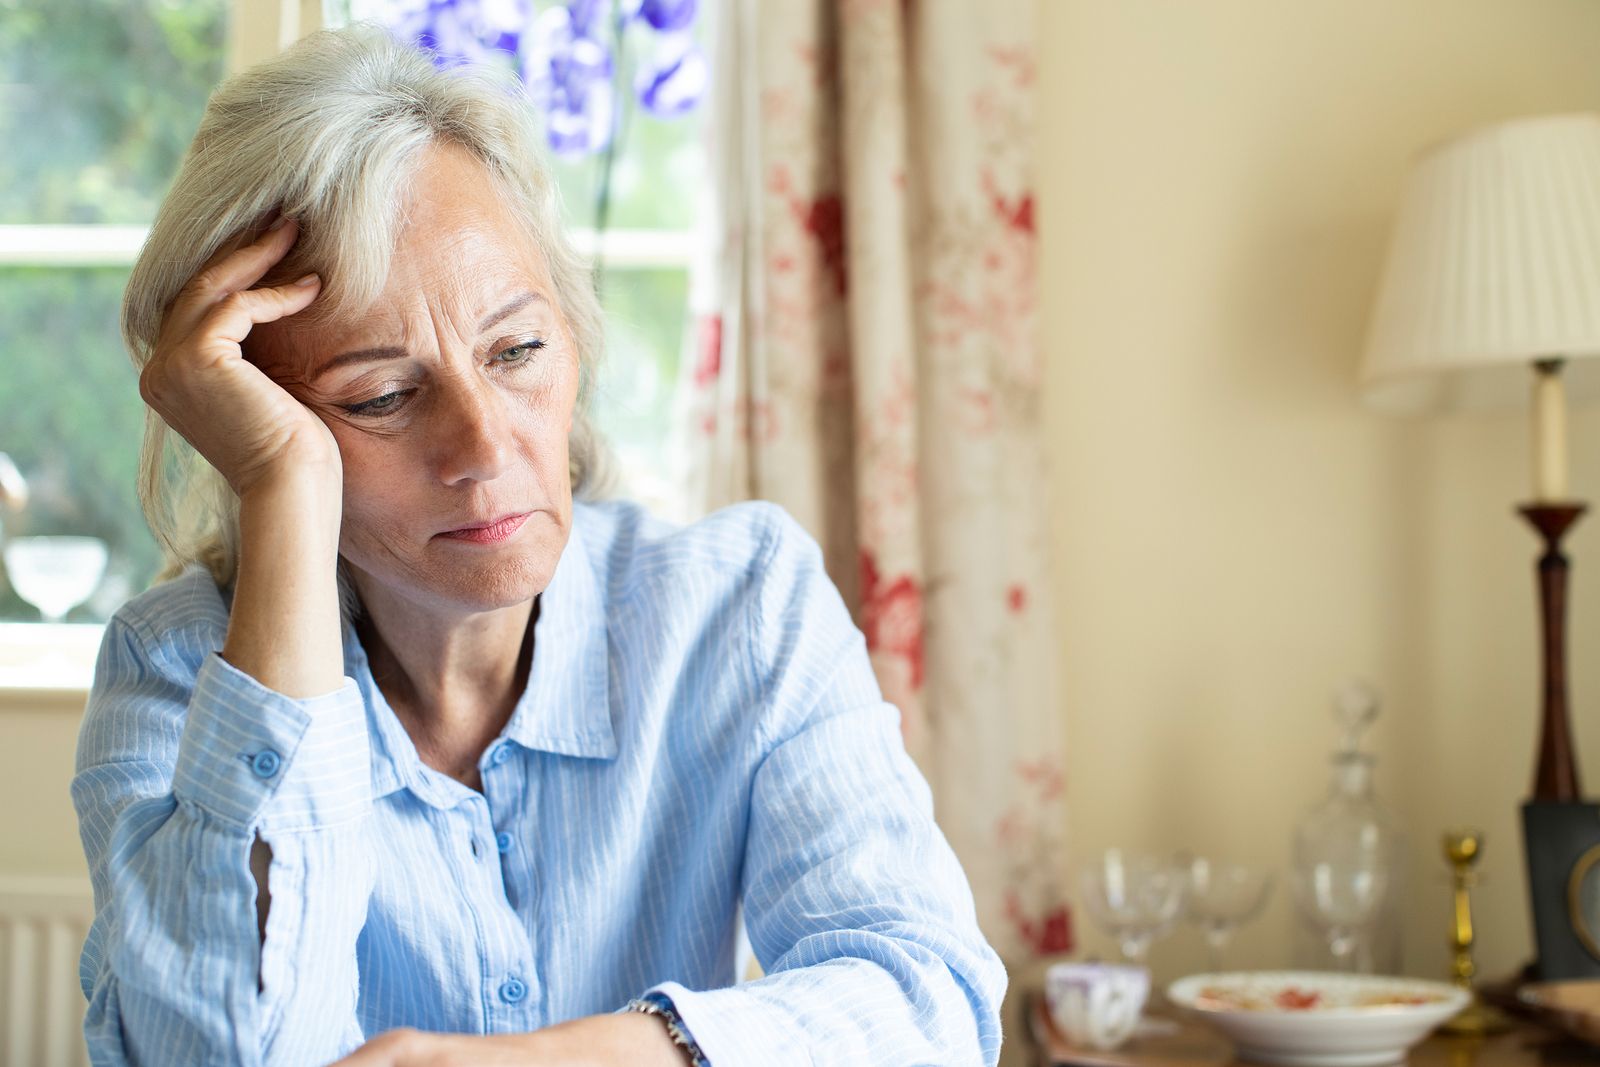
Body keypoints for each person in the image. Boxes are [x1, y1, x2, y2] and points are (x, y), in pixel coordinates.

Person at [71, 25, 1005, 1067]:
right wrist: (284, 490)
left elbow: (927, 1002)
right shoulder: (175, 668)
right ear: (245, 412)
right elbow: (213, 1051)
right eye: (379, 396)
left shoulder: (742, 604)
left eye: (516, 349)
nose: (484, 444)